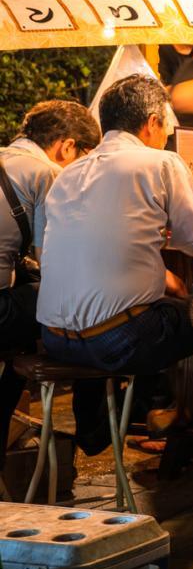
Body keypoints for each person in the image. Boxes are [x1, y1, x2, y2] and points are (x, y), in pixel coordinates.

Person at [36, 75, 193, 455]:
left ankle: (130, 419)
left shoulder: (68, 173)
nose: (167, 134)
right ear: (152, 122)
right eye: (166, 125)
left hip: (54, 340)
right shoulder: (160, 162)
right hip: (118, 341)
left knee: (160, 302)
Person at [0, 101, 99, 430]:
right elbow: (53, 261)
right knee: (86, 305)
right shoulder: (47, 173)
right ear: (68, 146)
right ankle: (92, 429)